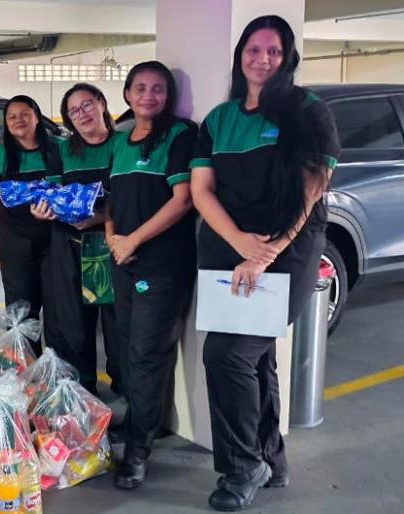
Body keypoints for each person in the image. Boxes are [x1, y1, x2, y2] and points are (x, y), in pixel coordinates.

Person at [190, 15, 340, 511]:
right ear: (240, 56)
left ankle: (241, 466)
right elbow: (202, 190)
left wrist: (268, 250)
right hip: (230, 247)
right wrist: (238, 242)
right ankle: (270, 460)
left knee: (226, 355)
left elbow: (312, 187)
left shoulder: (307, 110)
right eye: (253, 50)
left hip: (290, 246)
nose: (262, 59)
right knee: (254, 358)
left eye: (273, 51)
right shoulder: (220, 118)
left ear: (287, 57)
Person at [104, 61, 198, 489]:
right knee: (127, 346)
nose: (148, 96)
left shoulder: (181, 135)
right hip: (123, 261)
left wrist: (134, 240)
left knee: (146, 351)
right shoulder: (121, 142)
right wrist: (112, 238)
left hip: (161, 265)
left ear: (168, 96)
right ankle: (147, 424)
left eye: (158, 89)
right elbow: (112, 202)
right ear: (126, 94)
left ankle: (138, 453)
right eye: (140, 88)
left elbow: (183, 200)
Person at [31, 83, 122, 396]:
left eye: (86, 105)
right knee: (74, 326)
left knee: (116, 326)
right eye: (73, 110)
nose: (81, 114)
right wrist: (42, 210)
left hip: (110, 244)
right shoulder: (62, 150)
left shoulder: (123, 144)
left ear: (101, 103)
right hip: (69, 244)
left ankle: (124, 392)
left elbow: (131, 196)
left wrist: (98, 218)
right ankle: (82, 395)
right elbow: (53, 195)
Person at [0, 95, 61, 356]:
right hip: (15, 240)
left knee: (58, 305)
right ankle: (27, 369)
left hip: (55, 238)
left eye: (25, 114)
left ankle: (57, 368)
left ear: (37, 117)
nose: (19, 120)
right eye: (12, 116)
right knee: (20, 310)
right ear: (6, 123)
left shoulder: (57, 149)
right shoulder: (0, 154)